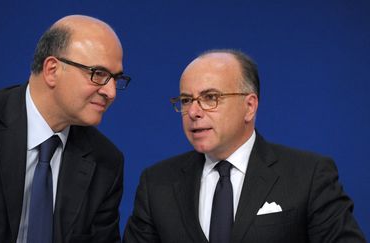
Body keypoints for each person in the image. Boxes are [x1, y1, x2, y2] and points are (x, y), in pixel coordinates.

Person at [123, 49, 365, 243]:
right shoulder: (157, 183)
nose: (194, 112)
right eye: (186, 100)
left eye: (210, 98)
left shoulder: (309, 176)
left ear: (249, 106)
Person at [0, 15, 131, 243]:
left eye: (116, 79)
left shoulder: (106, 162)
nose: (111, 92)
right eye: (98, 74)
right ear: (52, 70)